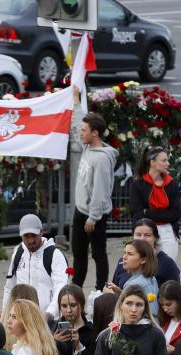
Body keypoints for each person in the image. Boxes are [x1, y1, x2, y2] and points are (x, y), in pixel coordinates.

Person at [71, 87, 117, 291]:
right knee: (79, 252)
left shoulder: (102, 160)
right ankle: (76, 288)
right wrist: (75, 100)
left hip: (93, 216)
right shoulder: (88, 147)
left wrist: (93, 217)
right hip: (80, 211)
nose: (81, 133)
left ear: (95, 133)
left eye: (84, 131)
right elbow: (78, 122)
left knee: (98, 253)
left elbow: (100, 191)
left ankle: (100, 290)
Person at [3, 214, 69, 319]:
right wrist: (5, 315)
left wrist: (50, 314)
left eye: (33, 235)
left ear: (41, 232)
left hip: (47, 319)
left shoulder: (54, 255)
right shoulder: (18, 253)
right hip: (22, 319)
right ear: (21, 236)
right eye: (26, 236)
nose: (30, 241)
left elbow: (61, 288)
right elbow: (9, 287)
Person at [129, 146, 181, 261]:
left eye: (167, 160)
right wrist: (162, 214)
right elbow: (137, 212)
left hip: (167, 230)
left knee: (168, 265)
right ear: (152, 163)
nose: (168, 163)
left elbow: (176, 214)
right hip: (145, 230)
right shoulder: (138, 185)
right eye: (164, 161)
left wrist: (147, 212)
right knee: (144, 267)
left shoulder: (172, 184)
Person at [111, 219, 180, 289]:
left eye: (147, 235)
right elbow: (115, 288)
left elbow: (176, 295)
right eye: (138, 234)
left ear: (155, 237)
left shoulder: (167, 263)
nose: (142, 239)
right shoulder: (124, 261)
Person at [105, 240, 159, 315]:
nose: (124, 257)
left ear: (143, 260)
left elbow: (127, 311)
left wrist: (111, 295)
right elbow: (137, 299)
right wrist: (120, 292)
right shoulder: (150, 277)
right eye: (124, 253)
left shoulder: (134, 284)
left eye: (130, 254)